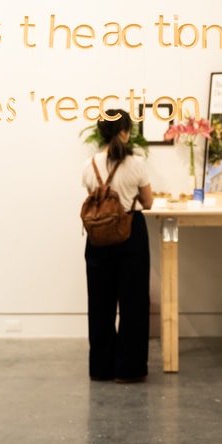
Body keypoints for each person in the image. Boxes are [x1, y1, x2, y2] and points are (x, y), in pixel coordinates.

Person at [81, 109, 154, 383]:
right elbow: (147, 202)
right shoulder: (135, 164)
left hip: (98, 237)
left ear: (101, 133)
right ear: (125, 132)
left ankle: (101, 368)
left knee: (100, 302)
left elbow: (94, 197)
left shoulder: (88, 165)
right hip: (130, 233)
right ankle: (128, 369)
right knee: (133, 303)